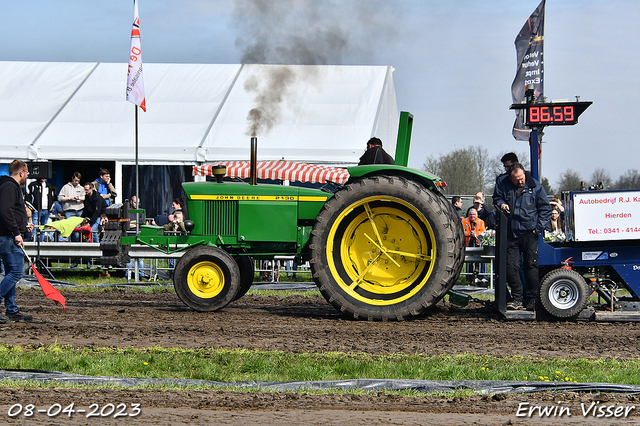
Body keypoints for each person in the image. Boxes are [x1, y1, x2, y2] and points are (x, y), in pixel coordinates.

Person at [493, 163, 551, 311]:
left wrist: (537, 229)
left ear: (524, 174)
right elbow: (497, 198)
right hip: (511, 232)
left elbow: (545, 210)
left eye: (521, 178)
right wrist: (502, 204)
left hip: (529, 232)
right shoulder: (503, 184)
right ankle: (517, 298)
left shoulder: (536, 187)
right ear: (510, 178)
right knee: (510, 266)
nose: (520, 182)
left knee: (530, 266)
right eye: (516, 180)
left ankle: (532, 299)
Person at [0, 160, 34, 323]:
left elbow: (11, 211)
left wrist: (23, 225)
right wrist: (16, 232)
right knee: (16, 272)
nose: (27, 176)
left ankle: (11, 310)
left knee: (10, 273)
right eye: (27, 173)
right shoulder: (9, 186)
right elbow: (5, 210)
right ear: (21, 172)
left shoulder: (8, 186)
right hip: (8, 237)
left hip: (10, 234)